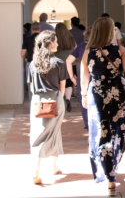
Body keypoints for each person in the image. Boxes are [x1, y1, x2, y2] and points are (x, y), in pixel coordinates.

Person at [80, 17, 125, 196]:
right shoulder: (120, 50)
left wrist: (84, 95)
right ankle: (112, 168)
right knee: (119, 132)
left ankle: (109, 175)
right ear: (109, 32)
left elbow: (85, 77)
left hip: (97, 96)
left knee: (102, 132)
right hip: (120, 95)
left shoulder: (87, 52)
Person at [28, 30, 69, 185]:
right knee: (53, 132)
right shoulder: (59, 63)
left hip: (38, 102)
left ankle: (46, 169)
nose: (57, 43)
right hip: (55, 100)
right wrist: (59, 100)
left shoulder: (33, 64)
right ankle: (45, 169)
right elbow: (62, 88)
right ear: (50, 43)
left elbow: (32, 88)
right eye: (56, 41)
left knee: (39, 134)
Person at [66, 26, 92, 130]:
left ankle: (89, 128)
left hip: (82, 78)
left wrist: (72, 77)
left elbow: (68, 61)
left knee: (84, 104)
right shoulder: (100, 47)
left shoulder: (81, 47)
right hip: (97, 77)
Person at [54, 23, 77, 112]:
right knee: (68, 83)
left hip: (58, 64)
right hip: (70, 63)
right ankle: (68, 99)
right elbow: (75, 48)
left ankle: (60, 100)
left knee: (59, 83)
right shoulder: (71, 38)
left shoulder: (55, 38)